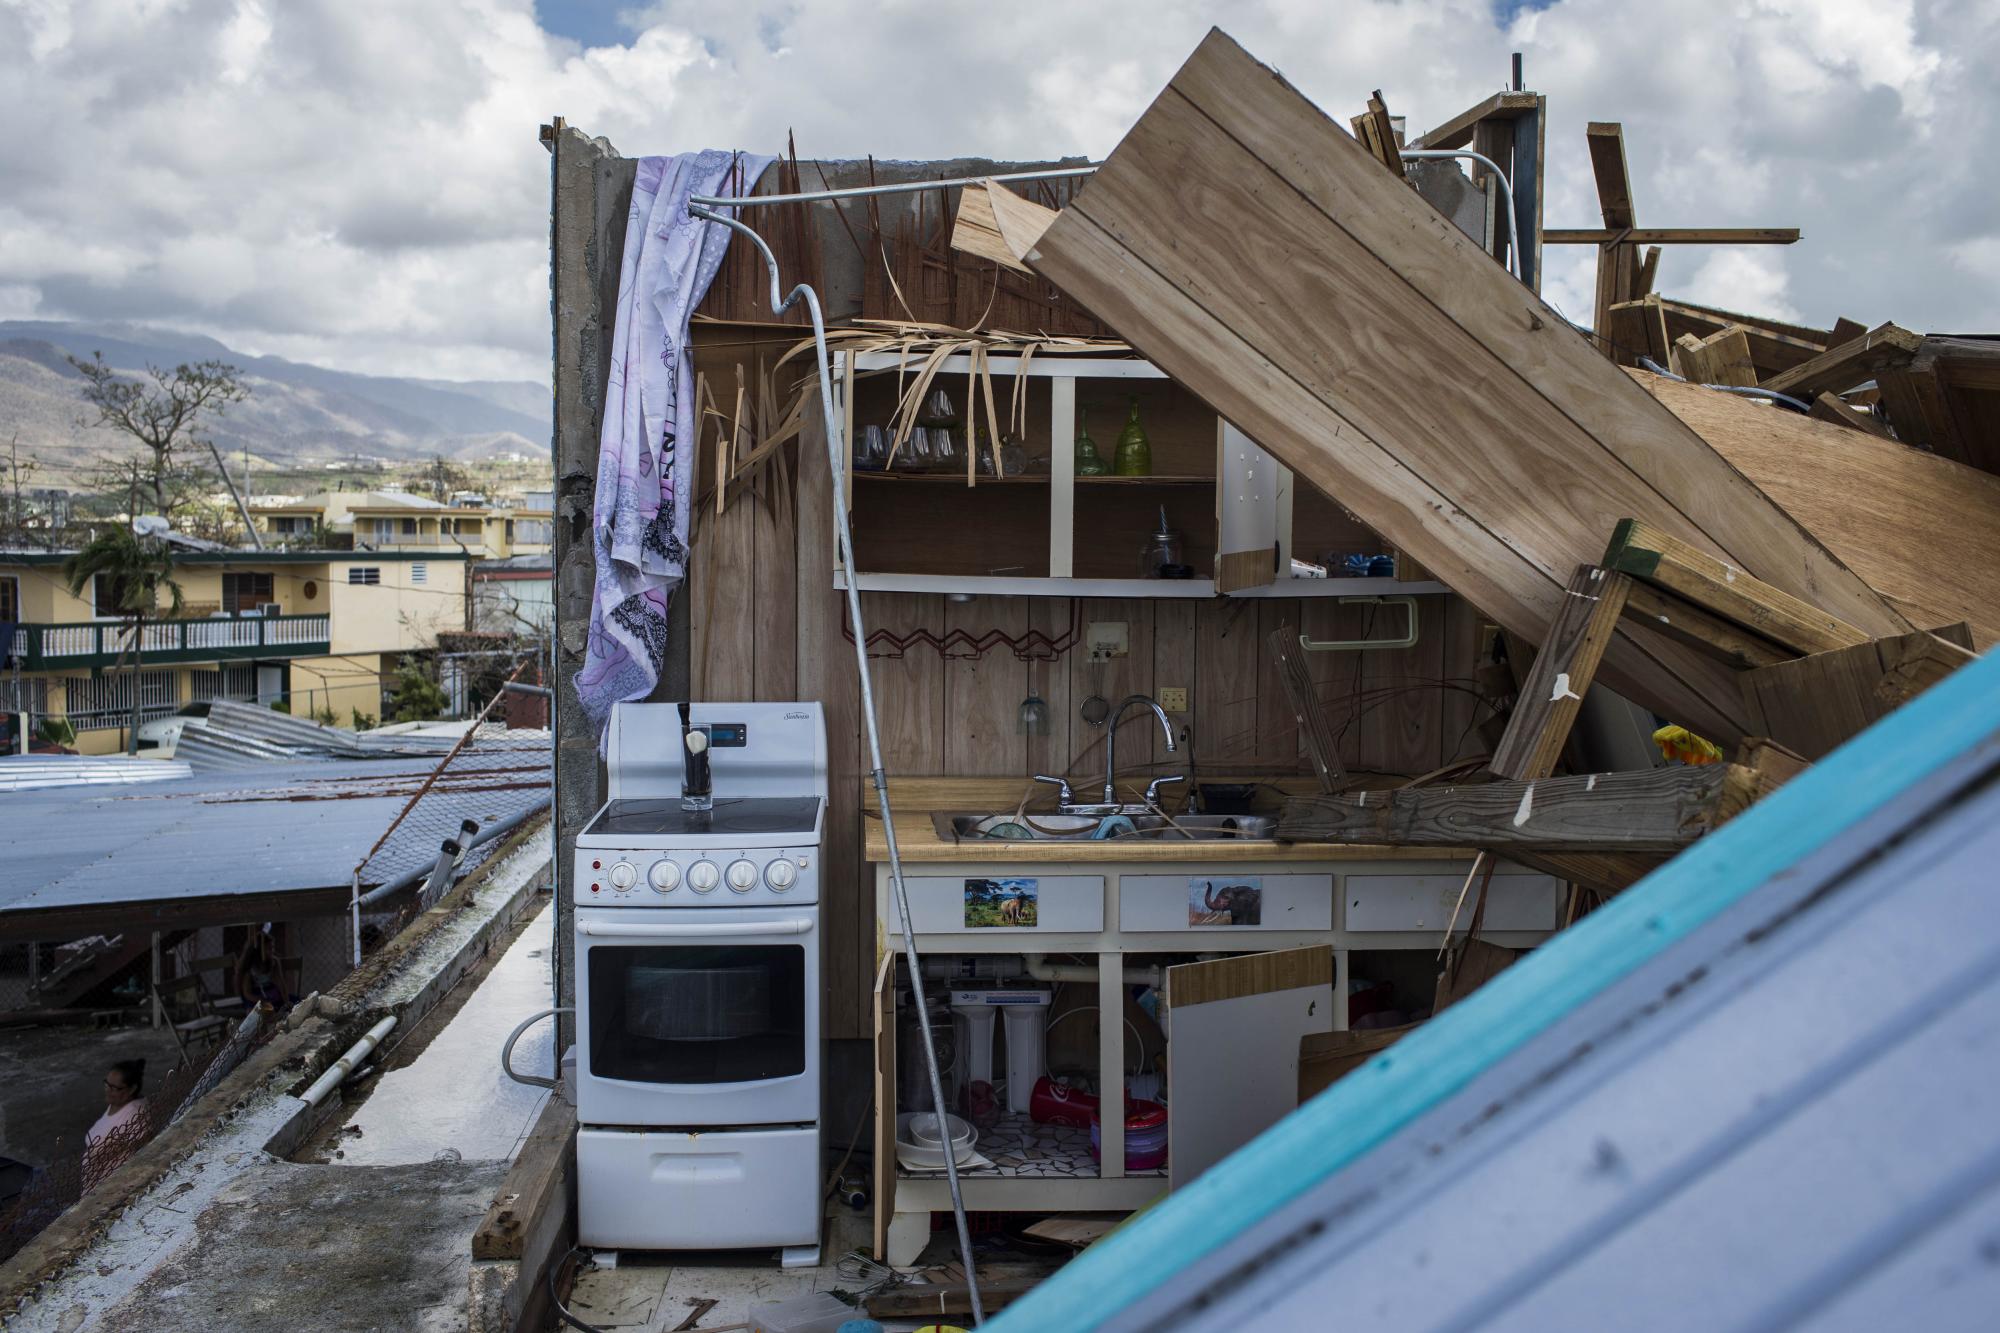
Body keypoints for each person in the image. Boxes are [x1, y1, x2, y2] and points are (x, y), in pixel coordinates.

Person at [82, 1059, 150, 1190]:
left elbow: (144, 1145)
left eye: (114, 1088)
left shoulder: (136, 1113)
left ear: (132, 1089)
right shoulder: (117, 1103)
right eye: (107, 1084)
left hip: (110, 1188)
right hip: (94, 1183)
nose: (108, 1090)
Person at [235, 929, 289, 1011]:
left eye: (272, 947)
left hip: (270, 992)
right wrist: (262, 1000)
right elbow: (247, 993)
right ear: (259, 951)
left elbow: (281, 984)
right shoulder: (250, 967)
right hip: (255, 996)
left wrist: (286, 1002)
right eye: (269, 948)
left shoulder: (274, 962)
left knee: (287, 1004)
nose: (272, 951)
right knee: (259, 1010)